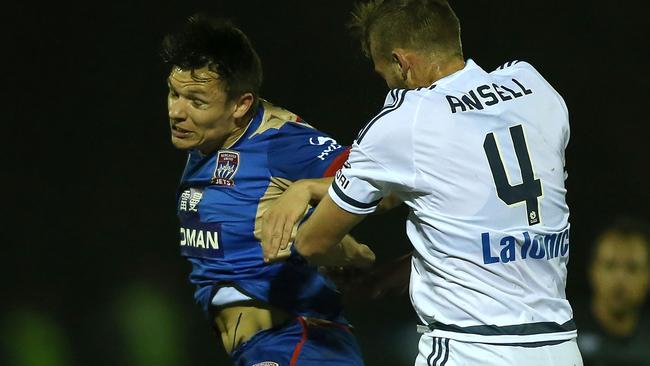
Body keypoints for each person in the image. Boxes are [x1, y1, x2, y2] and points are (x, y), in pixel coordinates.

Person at [263, 0, 583, 364]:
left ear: (401, 63)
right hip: (560, 347)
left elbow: (314, 242)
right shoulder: (533, 85)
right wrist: (409, 269)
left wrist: (312, 203)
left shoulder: (405, 122)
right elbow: (493, 216)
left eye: (382, 71)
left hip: (470, 349)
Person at [161, 14, 374, 365]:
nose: (176, 111)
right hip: (261, 350)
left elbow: (380, 180)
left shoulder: (281, 141)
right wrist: (343, 250)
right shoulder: (205, 141)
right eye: (173, 93)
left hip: (300, 345)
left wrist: (308, 191)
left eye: (196, 101)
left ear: (240, 105)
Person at [576, 217, 650, 366]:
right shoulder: (565, 332)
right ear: (593, 271)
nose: (619, 279)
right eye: (610, 266)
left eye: (632, 268)